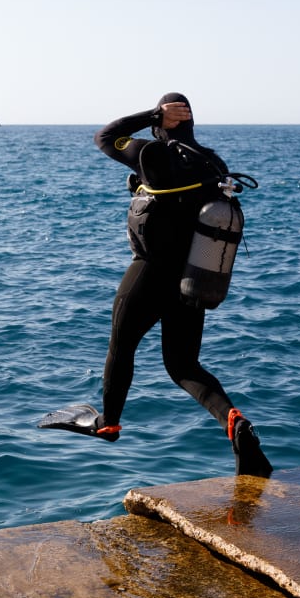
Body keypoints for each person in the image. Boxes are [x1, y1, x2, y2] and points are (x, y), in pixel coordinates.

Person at [88, 92, 272, 477]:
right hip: (193, 279)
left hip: (150, 273)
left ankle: (109, 422)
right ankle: (235, 422)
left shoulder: (151, 154)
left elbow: (105, 137)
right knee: (184, 365)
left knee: (121, 348)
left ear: (163, 121)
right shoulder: (213, 163)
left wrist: (153, 114)